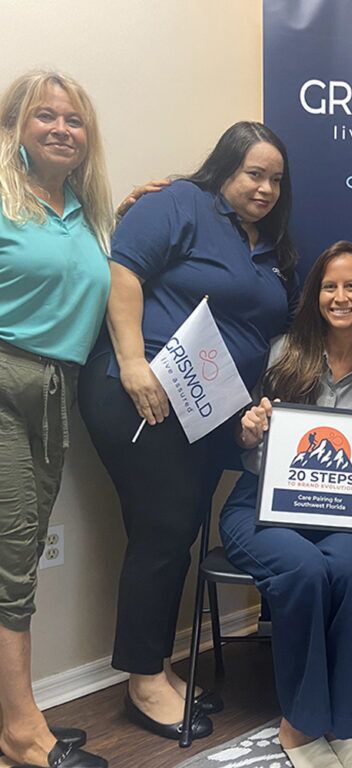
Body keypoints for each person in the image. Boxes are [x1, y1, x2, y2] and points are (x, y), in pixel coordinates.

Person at [78, 121, 300, 741]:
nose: (264, 187)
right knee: (165, 529)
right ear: (224, 167)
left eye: (275, 179)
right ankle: (143, 681)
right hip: (143, 393)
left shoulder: (266, 245)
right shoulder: (177, 202)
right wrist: (130, 363)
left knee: (174, 533)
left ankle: (156, 667)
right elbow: (123, 272)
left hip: (206, 410)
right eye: (253, 173)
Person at [219, 241, 352, 768]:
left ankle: (343, 725)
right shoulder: (280, 352)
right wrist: (248, 431)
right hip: (260, 509)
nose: (340, 296)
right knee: (303, 570)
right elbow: (243, 436)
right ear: (316, 294)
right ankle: (298, 727)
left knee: (349, 570)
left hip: (339, 518)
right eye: (330, 285)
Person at [0, 71, 111, 768]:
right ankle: (19, 732)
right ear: (16, 126)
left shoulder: (84, 211)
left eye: (74, 120)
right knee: (13, 561)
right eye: (46, 117)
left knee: (22, 554)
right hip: (6, 380)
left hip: (55, 389)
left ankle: (19, 716)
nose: (62, 129)